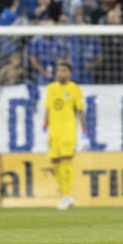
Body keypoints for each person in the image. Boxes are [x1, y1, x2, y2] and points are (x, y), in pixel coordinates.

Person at [43, 59, 87, 210]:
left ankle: (66, 196)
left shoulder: (74, 88)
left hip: (68, 130)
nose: (60, 73)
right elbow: (48, 108)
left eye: (63, 71)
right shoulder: (51, 88)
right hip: (53, 131)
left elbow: (80, 110)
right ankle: (66, 196)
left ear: (69, 73)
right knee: (55, 163)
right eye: (58, 70)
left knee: (66, 161)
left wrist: (84, 132)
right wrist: (44, 127)